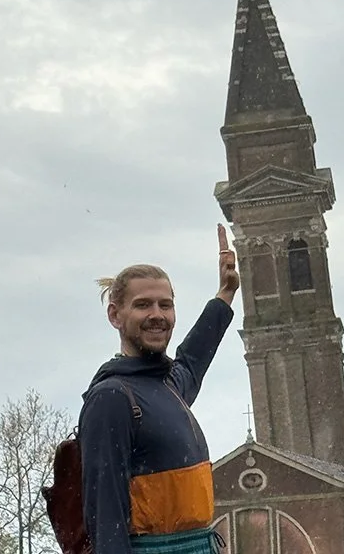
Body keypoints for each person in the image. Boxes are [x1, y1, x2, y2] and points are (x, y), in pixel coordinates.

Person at [78, 224, 239, 554]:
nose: (157, 315)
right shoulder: (111, 398)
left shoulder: (169, 385)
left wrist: (224, 294)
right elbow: (105, 516)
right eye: (143, 305)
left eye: (165, 305)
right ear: (115, 315)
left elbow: (193, 358)